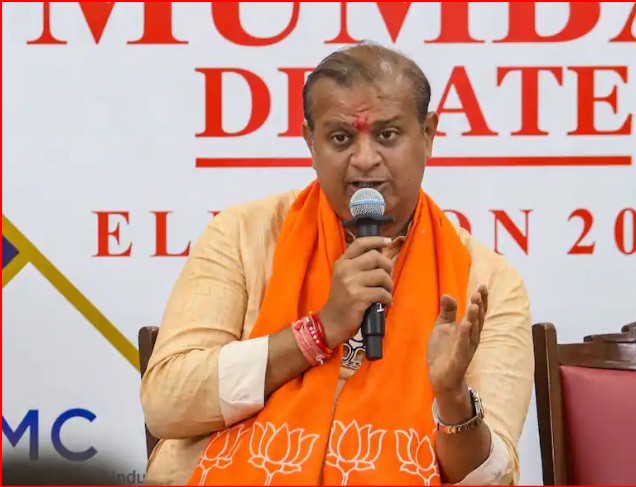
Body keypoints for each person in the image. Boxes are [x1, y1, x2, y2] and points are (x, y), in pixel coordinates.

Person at [140, 41, 533, 486]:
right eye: (341, 138)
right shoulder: (244, 236)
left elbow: (492, 478)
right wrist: (319, 331)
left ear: (427, 134)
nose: (364, 159)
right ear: (311, 140)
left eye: (387, 135)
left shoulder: (489, 282)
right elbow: (166, 403)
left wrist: (452, 398)